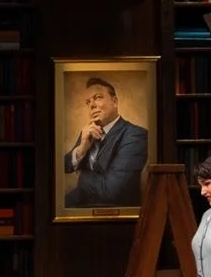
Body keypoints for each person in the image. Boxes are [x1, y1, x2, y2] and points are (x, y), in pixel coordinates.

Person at [62, 76, 150, 208]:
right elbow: (65, 165)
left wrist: (82, 176)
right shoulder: (88, 132)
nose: (91, 105)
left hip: (117, 215)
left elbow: (112, 191)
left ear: (114, 102)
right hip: (79, 206)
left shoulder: (135, 135)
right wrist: (81, 150)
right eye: (88, 102)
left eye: (97, 97)